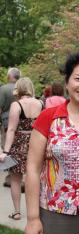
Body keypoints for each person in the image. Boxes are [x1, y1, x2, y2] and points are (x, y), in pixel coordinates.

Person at [25, 52, 79, 234]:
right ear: (67, 83)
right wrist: (33, 218)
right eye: (78, 78)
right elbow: (32, 169)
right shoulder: (48, 118)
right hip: (52, 212)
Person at [0, 77, 43, 220]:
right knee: (36, 177)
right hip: (37, 143)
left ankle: (17, 212)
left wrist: (5, 151)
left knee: (16, 180)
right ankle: (37, 211)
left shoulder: (16, 105)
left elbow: (11, 130)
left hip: (19, 145)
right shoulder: (41, 103)